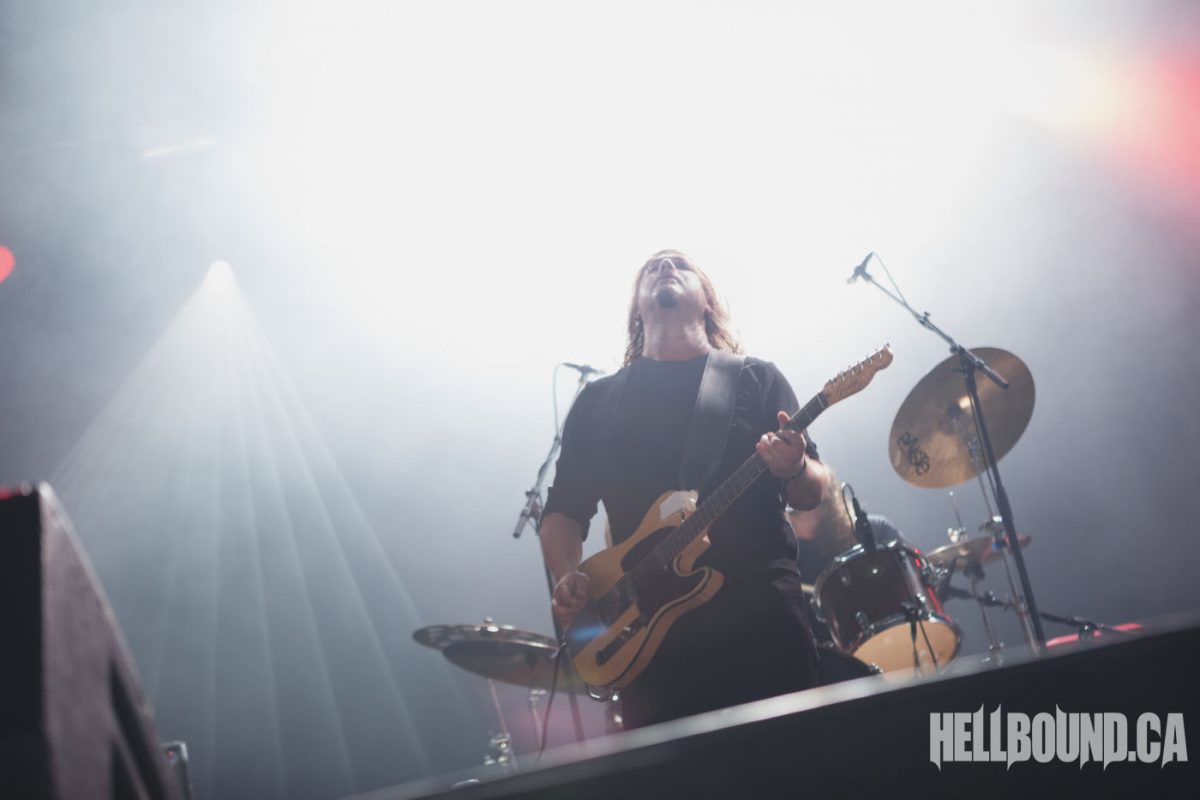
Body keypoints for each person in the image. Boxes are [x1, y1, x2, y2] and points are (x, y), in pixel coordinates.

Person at [539, 249, 828, 729]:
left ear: (708, 302)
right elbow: (563, 511)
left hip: (761, 622)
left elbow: (811, 493)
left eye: (680, 264)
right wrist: (567, 574)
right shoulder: (597, 402)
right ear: (637, 308)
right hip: (648, 643)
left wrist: (795, 465)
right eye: (652, 267)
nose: (664, 267)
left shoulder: (755, 378)